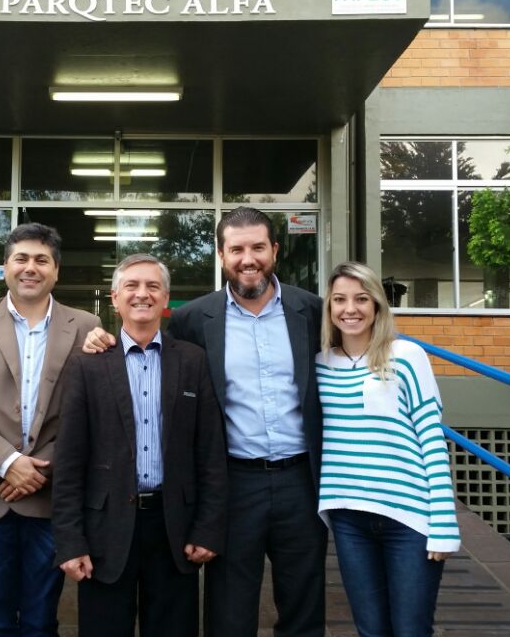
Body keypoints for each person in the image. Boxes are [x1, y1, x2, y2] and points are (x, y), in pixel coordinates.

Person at [85, 206, 329, 636]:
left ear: (274, 250)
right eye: (236, 249)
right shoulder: (193, 319)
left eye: (257, 247)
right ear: (221, 255)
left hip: (301, 480)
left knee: (304, 605)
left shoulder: (310, 310)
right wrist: (98, 335)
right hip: (234, 481)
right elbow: (147, 352)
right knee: (229, 611)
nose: (247, 259)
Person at [53, 254, 228, 637]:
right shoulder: (88, 365)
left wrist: (208, 528)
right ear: (115, 298)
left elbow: (210, 453)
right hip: (105, 528)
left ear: (167, 300)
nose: (142, 294)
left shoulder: (193, 361)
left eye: (153, 286)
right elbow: (69, 460)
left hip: (174, 528)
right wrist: (69, 540)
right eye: (131, 286)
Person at [0, 222, 102, 636]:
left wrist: (37, 468)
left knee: (40, 620)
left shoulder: (85, 326)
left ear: (56, 271)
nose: (30, 268)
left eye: (41, 260)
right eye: (21, 258)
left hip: (50, 494)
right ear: (6, 266)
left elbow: (89, 411)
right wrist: (7, 462)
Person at [316, 261, 460, 637]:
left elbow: (431, 438)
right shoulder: (319, 366)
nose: (351, 309)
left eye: (362, 299)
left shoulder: (406, 356)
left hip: (409, 519)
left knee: (412, 629)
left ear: (377, 304)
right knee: (371, 629)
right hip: (349, 518)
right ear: (329, 308)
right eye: (340, 300)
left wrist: (443, 524)